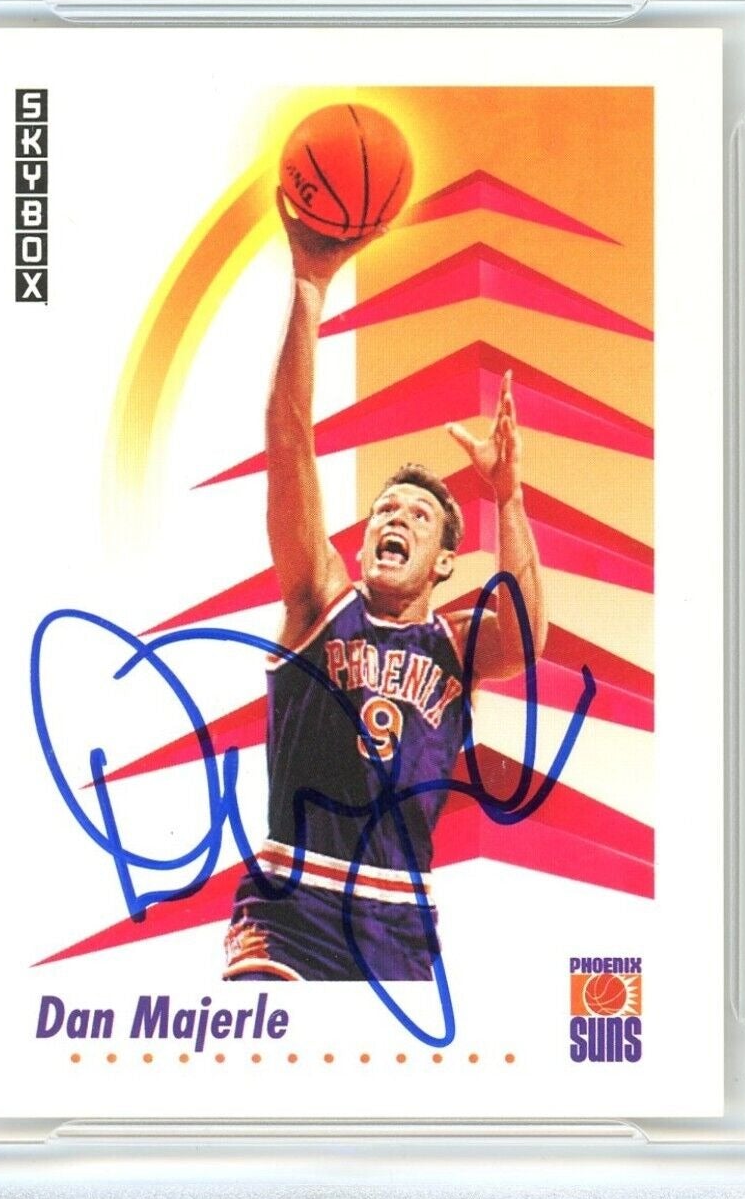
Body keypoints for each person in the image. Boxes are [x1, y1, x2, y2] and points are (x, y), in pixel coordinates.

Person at [223, 199, 549, 983]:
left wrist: (506, 496)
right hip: (291, 905)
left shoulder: (455, 644)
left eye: (416, 515)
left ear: (444, 562)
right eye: (382, 511)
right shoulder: (319, 603)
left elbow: (525, 639)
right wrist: (309, 286)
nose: (392, 518)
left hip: (398, 919)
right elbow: (289, 442)